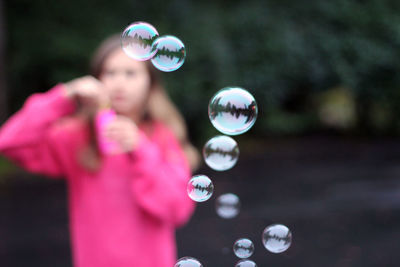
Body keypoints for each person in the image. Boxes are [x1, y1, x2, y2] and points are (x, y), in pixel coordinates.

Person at [0, 34, 200, 267]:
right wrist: (63, 97)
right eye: (110, 73)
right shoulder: (79, 137)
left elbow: (177, 210)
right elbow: (10, 142)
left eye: (130, 73)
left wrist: (141, 148)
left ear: (151, 83)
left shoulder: (162, 138)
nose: (119, 83)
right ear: (97, 79)